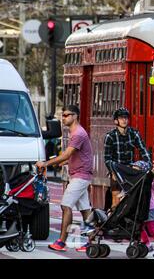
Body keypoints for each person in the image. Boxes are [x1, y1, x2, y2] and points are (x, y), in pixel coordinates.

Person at [36, 105, 94, 252]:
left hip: (80, 176)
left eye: (67, 115)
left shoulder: (79, 134)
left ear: (75, 116)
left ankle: (62, 241)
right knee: (85, 210)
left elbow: (67, 154)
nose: (64, 117)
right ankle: (92, 242)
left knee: (65, 205)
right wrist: (62, 163)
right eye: (63, 115)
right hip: (80, 175)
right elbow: (76, 156)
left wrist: (46, 164)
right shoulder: (74, 132)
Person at [104, 107, 151, 208]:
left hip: (130, 169)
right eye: (121, 118)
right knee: (115, 200)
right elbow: (107, 158)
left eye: (126, 118)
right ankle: (113, 216)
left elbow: (143, 150)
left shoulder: (134, 133)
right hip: (116, 169)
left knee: (131, 198)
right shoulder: (110, 136)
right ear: (116, 120)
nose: (124, 120)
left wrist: (148, 164)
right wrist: (112, 171)